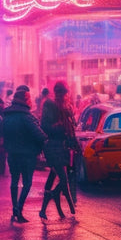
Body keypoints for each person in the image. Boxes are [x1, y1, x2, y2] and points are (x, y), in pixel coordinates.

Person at [3, 89, 47, 223]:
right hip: (27, 155)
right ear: (26, 100)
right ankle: (19, 208)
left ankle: (14, 208)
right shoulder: (27, 117)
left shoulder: (7, 115)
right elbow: (39, 135)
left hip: (12, 153)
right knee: (27, 183)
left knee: (14, 181)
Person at [39, 81, 78, 220]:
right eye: (60, 92)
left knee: (53, 176)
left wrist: (73, 142)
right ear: (56, 92)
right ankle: (55, 196)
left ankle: (43, 209)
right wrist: (60, 128)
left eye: (64, 92)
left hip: (63, 146)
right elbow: (45, 126)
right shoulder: (50, 105)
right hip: (53, 145)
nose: (62, 95)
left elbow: (72, 128)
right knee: (63, 178)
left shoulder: (67, 107)